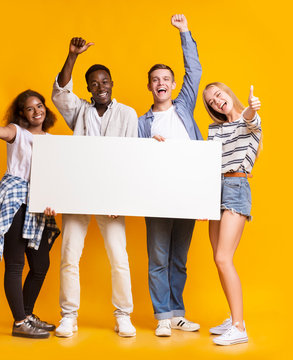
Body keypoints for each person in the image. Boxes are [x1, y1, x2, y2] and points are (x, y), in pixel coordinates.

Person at [49, 37, 138, 338]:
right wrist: (72, 56)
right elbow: (61, 93)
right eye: (94, 84)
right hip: (78, 193)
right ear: (88, 89)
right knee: (69, 256)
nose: (100, 88)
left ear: (112, 84)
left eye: (105, 82)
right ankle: (69, 316)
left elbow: (131, 159)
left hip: (111, 197)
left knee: (119, 257)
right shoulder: (80, 112)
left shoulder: (127, 115)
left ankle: (123, 315)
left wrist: (121, 199)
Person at [0, 90, 60, 339]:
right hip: (15, 198)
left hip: (38, 201)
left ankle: (27, 313)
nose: (37, 111)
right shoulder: (17, 132)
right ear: (22, 114)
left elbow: (54, 177)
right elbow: (2, 131)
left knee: (41, 264)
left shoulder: (51, 140)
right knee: (15, 263)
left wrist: (52, 200)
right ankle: (20, 321)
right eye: (30, 108)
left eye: (40, 106)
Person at [137, 14, 203, 337]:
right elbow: (133, 160)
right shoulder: (141, 123)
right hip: (157, 196)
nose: (161, 83)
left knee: (179, 258)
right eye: (155, 79)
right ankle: (162, 314)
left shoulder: (184, 108)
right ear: (149, 86)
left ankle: (177, 313)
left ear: (173, 85)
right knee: (158, 257)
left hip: (188, 194)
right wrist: (149, 146)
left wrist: (184, 32)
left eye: (166, 78)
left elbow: (196, 71)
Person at [202, 82, 262, 345]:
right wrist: (202, 200)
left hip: (236, 187)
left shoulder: (248, 121)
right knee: (218, 260)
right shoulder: (214, 129)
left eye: (218, 95)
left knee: (224, 258)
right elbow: (207, 165)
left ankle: (239, 327)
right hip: (214, 189)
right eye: (211, 102)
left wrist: (250, 108)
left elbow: (250, 119)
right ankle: (234, 317)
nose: (216, 101)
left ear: (228, 93)